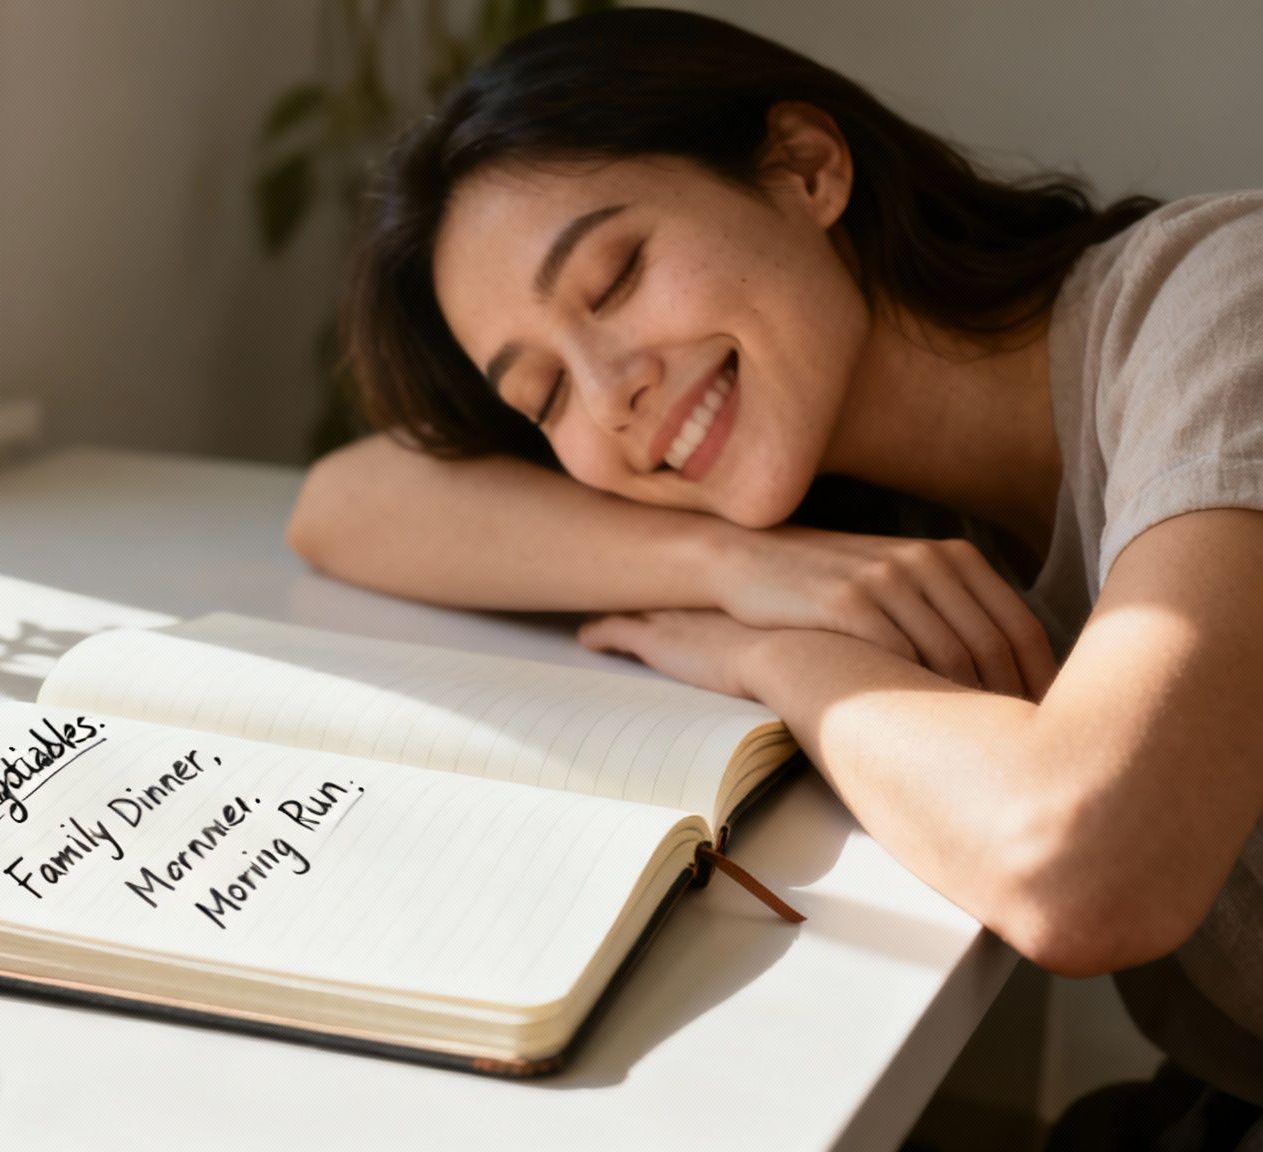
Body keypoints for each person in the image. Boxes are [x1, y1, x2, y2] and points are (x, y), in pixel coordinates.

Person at [286, 9, 1263, 1149]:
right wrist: (733, 563)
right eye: (541, 395)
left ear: (805, 167)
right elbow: (344, 502)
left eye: (614, 277)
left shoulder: (1215, 308)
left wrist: (780, 656)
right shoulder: (859, 509)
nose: (608, 396)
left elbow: (1083, 871)